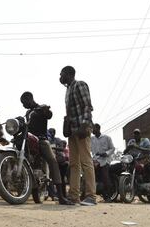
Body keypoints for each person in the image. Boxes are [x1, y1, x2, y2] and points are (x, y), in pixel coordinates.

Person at [20, 92, 72, 205]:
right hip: (30, 141)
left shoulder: (41, 108)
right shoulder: (28, 113)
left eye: (24, 103)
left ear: (29, 99)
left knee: (53, 163)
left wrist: (46, 110)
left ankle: (61, 196)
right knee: (27, 162)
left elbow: (49, 115)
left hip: (42, 140)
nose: (23, 106)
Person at [59, 65, 96, 206]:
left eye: (61, 74)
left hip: (82, 128)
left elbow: (87, 106)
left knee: (86, 162)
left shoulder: (79, 85)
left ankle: (91, 196)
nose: (60, 77)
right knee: (74, 164)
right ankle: (74, 196)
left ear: (69, 74)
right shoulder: (68, 90)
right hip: (73, 130)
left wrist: (85, 125)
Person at [127, 128, 150, 204]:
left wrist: (137, 147)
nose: (136, 135)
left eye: (137, 133)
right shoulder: (131, 141)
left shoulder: (145, 140)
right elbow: (126, 151)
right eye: (134, 134)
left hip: (146, 161)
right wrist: (128, 148)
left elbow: (148, 150)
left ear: (140, 134)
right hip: (135, 162)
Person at [91, 123, 115, 202]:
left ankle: (107, 196)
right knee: (90, 177)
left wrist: (106, 153)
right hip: (95, 161)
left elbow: (112, 148)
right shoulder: (91, 139)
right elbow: (90, 150)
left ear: (98, 128)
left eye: (93, 128)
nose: (92, 130)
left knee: (105, 177)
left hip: (105, 160)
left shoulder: (107, 138)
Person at [48, 128, 69, 198]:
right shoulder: (48, 140)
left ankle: (64, 195)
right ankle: (54, 194)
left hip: (60, 162)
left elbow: (62, 148)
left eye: (52, 132)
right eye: (49, 132)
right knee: (50, 178)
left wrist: (53, 148)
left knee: (61, 179)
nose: (50, 133)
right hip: (52, 161)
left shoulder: (58, 140)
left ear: (54, 133)